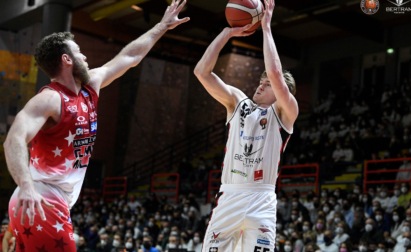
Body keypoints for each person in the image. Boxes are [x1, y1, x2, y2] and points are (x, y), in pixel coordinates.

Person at [3, 1, 189, 251]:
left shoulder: (91, 86)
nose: (85, 56)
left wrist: (161, 26)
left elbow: (130, 57)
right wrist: (25, 186)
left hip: (46, 201)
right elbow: (13, 138)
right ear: (67, 59)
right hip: (41, 199)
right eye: (79, 52)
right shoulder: (50, 99)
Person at [194, 0, 298, 250]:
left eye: (267, 84)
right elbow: (201, 72)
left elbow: (276, 74)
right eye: (260, 82)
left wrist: (266, 27)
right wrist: (227, 32)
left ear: (282, 93)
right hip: (229, 195)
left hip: (261, 199)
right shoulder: (238, 102)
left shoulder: (285, 112)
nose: (260, 85)